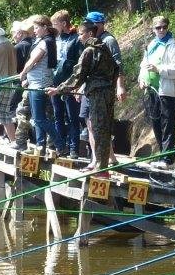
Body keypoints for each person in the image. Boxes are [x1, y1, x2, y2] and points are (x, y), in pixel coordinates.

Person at [47, 18, 121, 171]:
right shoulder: (104, 48)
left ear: (89, 33)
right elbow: (115, 69)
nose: (79, 37)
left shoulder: (89, 51)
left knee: (98, 128)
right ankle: (103, 164)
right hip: (108, 92)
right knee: (105, 128)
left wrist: (58, 89)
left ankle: (100, 166)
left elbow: (77, 76)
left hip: (97, 94)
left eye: (81, 34)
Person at [139, 15, 175, 161]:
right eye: (158, 27)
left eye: (164, 27)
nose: (161, 30)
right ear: (153, 29)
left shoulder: (172, 45)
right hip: (152, 91)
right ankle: (162, 155)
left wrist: (158, 69)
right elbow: (143, 64)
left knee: (168, 125)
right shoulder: (152, 44)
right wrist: (141, 78)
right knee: (156, 123)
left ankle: (168, 159)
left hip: (168, 91)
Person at [18, 14, 59, 152]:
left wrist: (23, 73)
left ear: (45, 27)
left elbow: (33, 61)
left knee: (39, 119)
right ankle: (40, 145)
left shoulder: (44, 43)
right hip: (37, 83)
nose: (34, 30)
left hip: (38, 85)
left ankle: (60, 143)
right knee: (38, 118)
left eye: (36, 28)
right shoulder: (48, 40)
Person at [51, 10, 83, 158]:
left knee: (72, 116)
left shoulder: (76, 39)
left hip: (70, 83)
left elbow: (80, 64)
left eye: (55, 24)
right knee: (58, 115)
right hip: (55, 83)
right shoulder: (55, 40)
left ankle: (74, 148)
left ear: (63, 24)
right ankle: (60, 145)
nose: (53, 27)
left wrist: (77, 84)